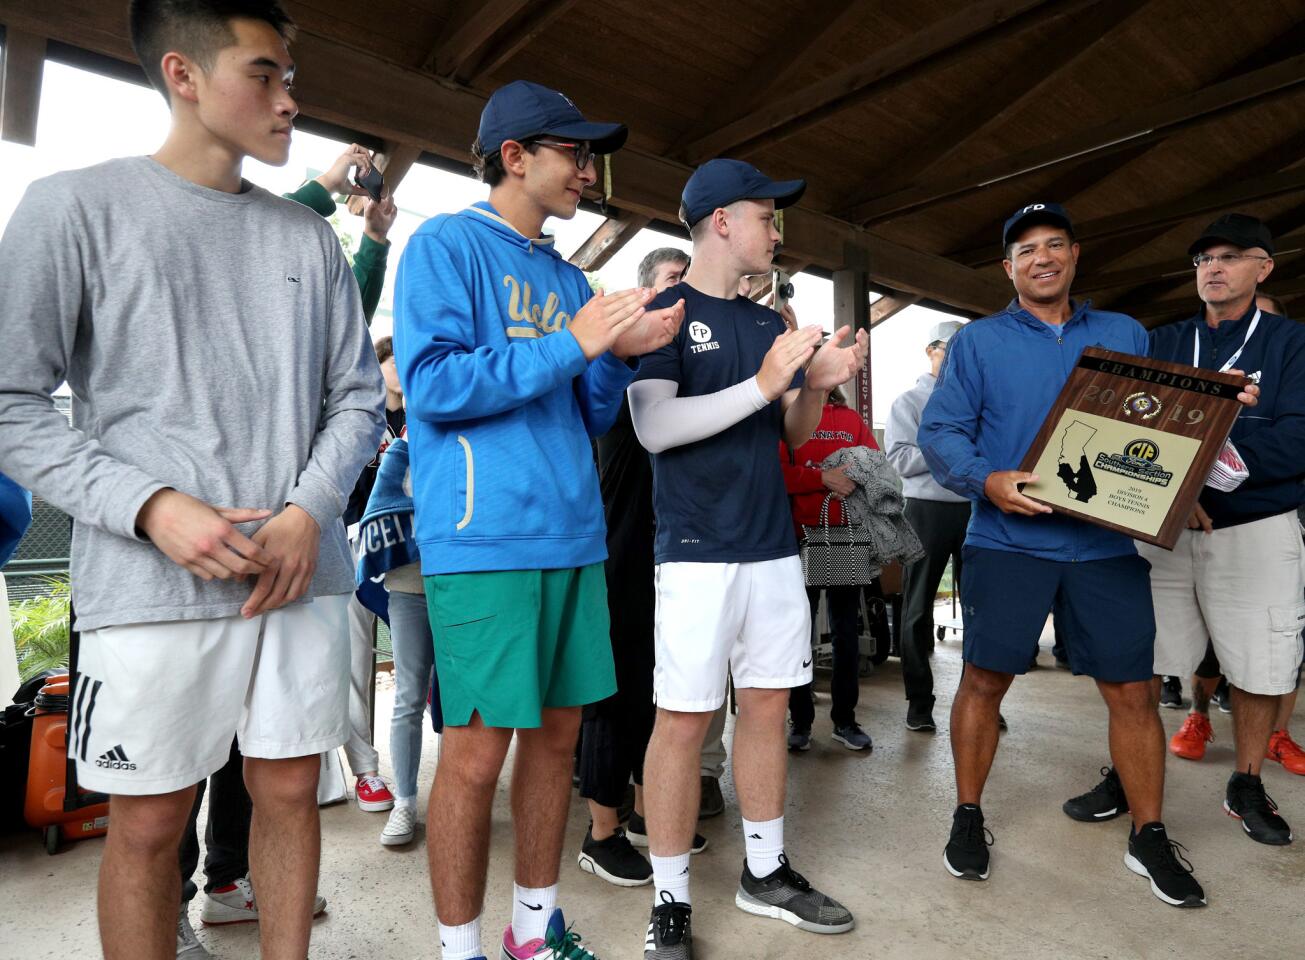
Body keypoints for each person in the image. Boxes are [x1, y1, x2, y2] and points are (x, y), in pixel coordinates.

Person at [0, 5, 387, 960]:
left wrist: (307, 512)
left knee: (292, 794)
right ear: (182, 72)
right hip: (148, 584)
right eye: (265, 74)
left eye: (290, 77)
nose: (289, 100)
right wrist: (150, 506)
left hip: (298, 575)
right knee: (146, 822)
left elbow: (358, 399)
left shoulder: (304, 238)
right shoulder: (72, 206)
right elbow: (10, 401)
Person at [393, 80, 684, 960]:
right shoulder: (445, 245)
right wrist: (575, 343)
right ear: (514, 157)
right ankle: (460, 949)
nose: (587, 172)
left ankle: (533, 930)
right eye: (572, 152)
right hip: (484, 539)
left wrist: (617, 356)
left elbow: (588, 413)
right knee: (476, 758)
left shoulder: (568, 277)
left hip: (572, 534)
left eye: (588, 156)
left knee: (557, 745)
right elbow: (434, 385)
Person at [919, 202, 1230, 908]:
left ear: (1074, 255)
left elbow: (1162, 421)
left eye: (1053, 244)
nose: (1041, 258)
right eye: (1025, 249)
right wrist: (985, 480)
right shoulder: (977, 342)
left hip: (1103, 546)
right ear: (1008, 267)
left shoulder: (1122, 333)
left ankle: (1148, 833)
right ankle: (967, 813)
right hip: (1005, 541)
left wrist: (1179, 492)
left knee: (1131, 690)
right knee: (983, 682)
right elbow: (941, 433)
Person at [628, 158, 867, 957]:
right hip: (695, 549)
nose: (776, 230)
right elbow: (654, 429)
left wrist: (814, 386)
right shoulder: (662, 308)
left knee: (765, 706)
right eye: (766, 216)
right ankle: (668, 897)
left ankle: (765, 872)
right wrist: (769, 383)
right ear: (721, 221)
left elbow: (789, 439)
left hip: (771, 545)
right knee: (684, 720)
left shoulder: (768, 324)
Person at [172, 148, 399, 959]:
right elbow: (229, 237)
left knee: (261, 754)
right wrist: (325, 185)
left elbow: (343, 333)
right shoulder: (178, 229)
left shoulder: (308, 275)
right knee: (174, 764)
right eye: (267, 75)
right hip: (179, 548)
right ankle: (171, 899)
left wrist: (370, 240)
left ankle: (227, 882)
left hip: (289, 549)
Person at [1066, 214, 1304, 846]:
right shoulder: (1163, 340)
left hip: (1254, 525)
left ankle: (1247, 782)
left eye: (1229, 257)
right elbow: (1123, 420)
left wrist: (1201, 472)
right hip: (1159, 528)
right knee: (1134, 653)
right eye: (1202, 259)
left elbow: (1297, 435)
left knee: (1260, 662)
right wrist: (1181, 479)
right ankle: (1128, 769)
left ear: (1264, 267)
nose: (1213, 269)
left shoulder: (1291, 343)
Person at [577, 246, 709, 889]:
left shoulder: (683, 366)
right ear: (644, 295)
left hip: (673, 553)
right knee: (616, 692)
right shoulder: (624, 364)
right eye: (673, 283)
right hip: (620, 548)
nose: (686, 295)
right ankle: (601, 832)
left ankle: (647, 814)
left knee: (663, 697)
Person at [781, 385, 877, 752]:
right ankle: (800, 719)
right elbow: (777, 474)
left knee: (845, 633)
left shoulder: (849, 419)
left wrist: (850, 478)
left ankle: (845, 720)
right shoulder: (786, 419)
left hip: (842, 535)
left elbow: (874, 465)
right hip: (796, 537)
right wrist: (822, 477)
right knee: (796, 634)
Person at [885, 320, 970, 732]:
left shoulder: (977, 403)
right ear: (930, 351)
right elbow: (899, 460)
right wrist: (948, 451)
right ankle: (919, 702)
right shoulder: (908, 402)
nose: (953, 360)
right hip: (926, 511)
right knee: (917, 608)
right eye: (946, 350)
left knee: (982, 610)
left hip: (975, 509)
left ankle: (980, 702)